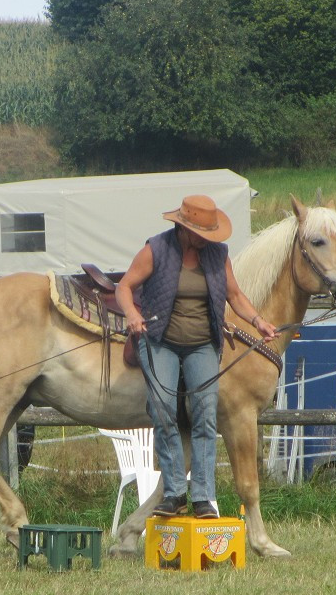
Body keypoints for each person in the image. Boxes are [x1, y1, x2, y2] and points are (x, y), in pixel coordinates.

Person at [115, 195, 278, 519]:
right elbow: (124, 287)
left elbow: (234, 294)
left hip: (203, 343)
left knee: (205, 415)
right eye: (202, 234)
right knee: (163, 410)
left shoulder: (218, 255)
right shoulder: (156, 250)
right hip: (160, 340)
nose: (207, 240)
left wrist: (258, 321)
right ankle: (174, 493)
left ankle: (203, 497)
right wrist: (133, 314)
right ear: (184, 228)